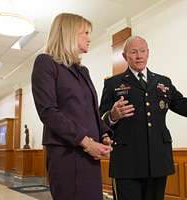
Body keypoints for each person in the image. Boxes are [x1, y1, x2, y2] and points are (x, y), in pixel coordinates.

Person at [31, 13, 113, 200]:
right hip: (66, 153)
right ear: (69, 33)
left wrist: (104, 135)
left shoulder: (83, 71)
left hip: (89, 154)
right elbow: (48, 112)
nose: (89, 38)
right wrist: (87, 142)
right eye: (85, 32)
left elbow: (92, 110)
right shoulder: (45, 62)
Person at [99, 36, 187, 200]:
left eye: (142, 51)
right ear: (125, 56)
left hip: (158, 159)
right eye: (133, 52)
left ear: (148, 53)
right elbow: (99, 121)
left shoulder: (163, 82)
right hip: (127, 161)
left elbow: (182, 105)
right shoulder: (113, 83)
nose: (139, 56)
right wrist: (112, 116)